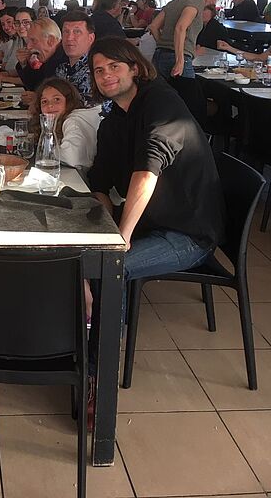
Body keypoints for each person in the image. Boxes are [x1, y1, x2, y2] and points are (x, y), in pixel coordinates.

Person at [86, 38, 225, 411]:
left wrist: (120, 237)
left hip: (188, 232)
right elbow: (99, 181)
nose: (106, 75)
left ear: (134, 67)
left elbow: (147, 171)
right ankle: (86, 334)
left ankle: (97, 380)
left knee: (109, 268)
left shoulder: (160, 102)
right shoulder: (115, 119)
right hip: (153, 222)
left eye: (114, 66)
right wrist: (104, 221)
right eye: (99, 70)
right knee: (83, 254)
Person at [150, 0, 225, 79]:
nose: (215, 1)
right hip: (179, 58)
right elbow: (180, 27)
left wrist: (164, 45)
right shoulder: (197, 1)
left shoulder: (176, 1)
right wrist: (179, 60)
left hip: (159, 56)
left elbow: (153, 26)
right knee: (189, 89)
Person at [29, 77, 101, 175]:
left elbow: (71, 158)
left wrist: (47, 147)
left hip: (86, 180)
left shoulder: (73, 121)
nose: (50, 105)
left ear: (69, 101)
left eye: (57, 99)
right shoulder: (62, 119)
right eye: (44, 101)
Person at [56, 10, 97, 104]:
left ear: (90, 38)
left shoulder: (96, 69)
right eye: (66, 32)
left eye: (77, 32)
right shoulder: (61, 68)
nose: (69, 38)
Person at [16, 17, 67, 92]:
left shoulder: (65, 60)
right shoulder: (48, 58)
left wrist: (38, 96)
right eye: (28, 41)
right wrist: (23, 64)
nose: (29, 46)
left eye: (33, 40)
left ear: (51, 40)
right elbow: (34, 85)